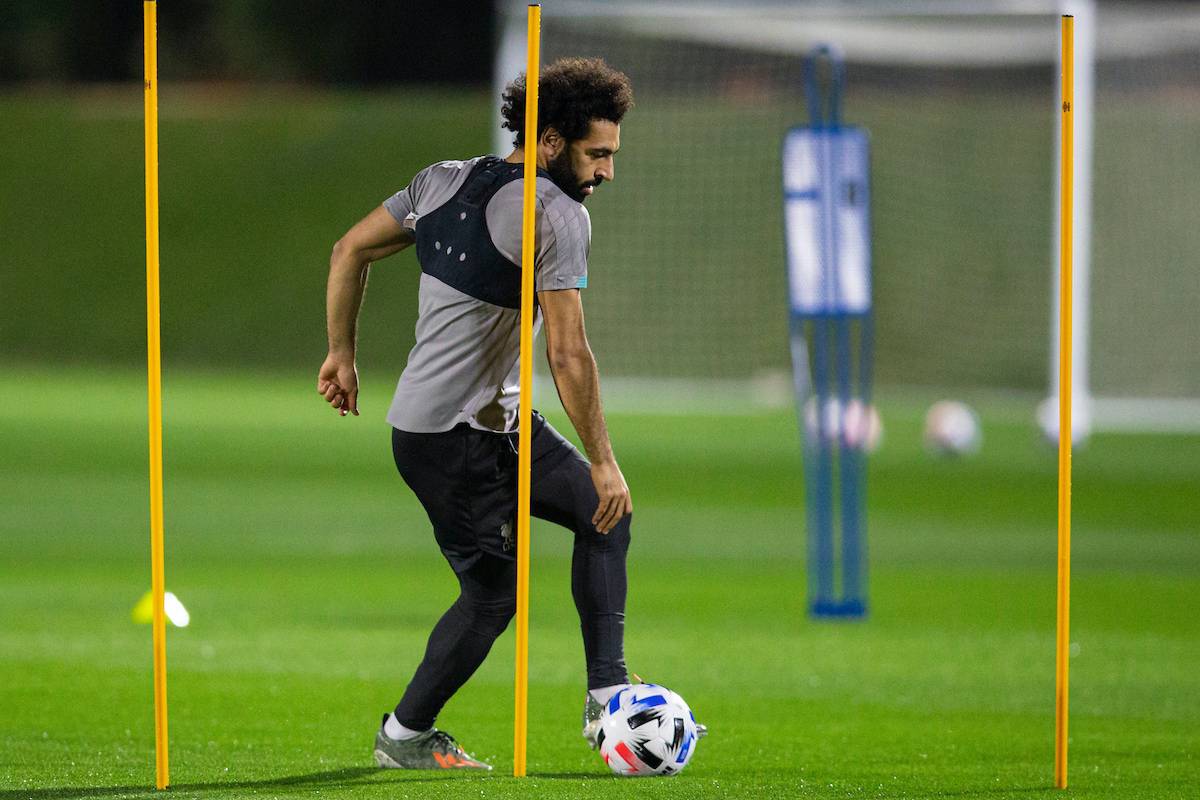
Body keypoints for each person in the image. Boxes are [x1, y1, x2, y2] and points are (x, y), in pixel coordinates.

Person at [317, 57, 638, 771]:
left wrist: (341, 353)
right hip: (447, 438)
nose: (608, 171)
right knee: (495, 596)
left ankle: (609, 696)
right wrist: (605, 457)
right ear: (550, 140)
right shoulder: (557, 214)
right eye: (598, 154)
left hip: (492, 419)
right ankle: (404, 737)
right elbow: (569, 353)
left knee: (604, 512)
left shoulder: (442, 179)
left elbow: (349, 250)